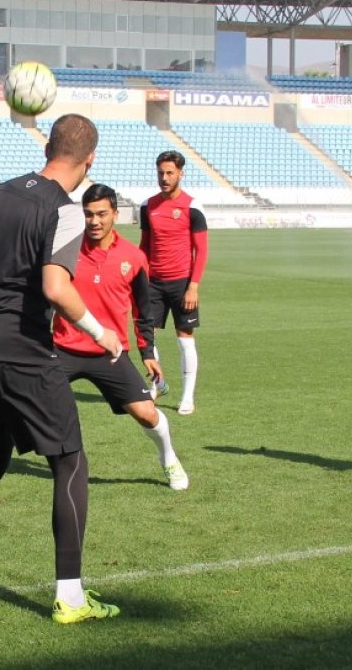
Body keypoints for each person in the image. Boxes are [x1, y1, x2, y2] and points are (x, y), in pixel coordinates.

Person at [0, 114, 123, 624]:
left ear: (49, 145)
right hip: (21, 349)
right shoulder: (66, 211)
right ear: (90, 159)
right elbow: (56, 287)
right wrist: (101, 334)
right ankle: (71, 598)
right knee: (70, 462)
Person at [53, 184, 188, 491]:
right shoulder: (65, 250)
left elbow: (143, 310)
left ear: (115, 213)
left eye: (101, 214)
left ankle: (168, 458)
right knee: (22, 398)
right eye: (88, 215)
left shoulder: (134, 257)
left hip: (110, 353)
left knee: (146, 413)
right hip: (63, 347)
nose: (94, 221)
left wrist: (148, 353)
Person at [140, 151, 208, 415]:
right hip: (153, 283)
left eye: (169, 173)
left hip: (182, 283)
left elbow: (200, 251)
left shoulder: (193, 207)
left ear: (181, 173)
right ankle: (158, 385)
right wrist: (140, 279)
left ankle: (187, 397)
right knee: (148, 337)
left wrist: (194, 286)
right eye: (160, 173)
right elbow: (144, 246)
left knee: (185, 339)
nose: (164, 178)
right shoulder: (148, 206)